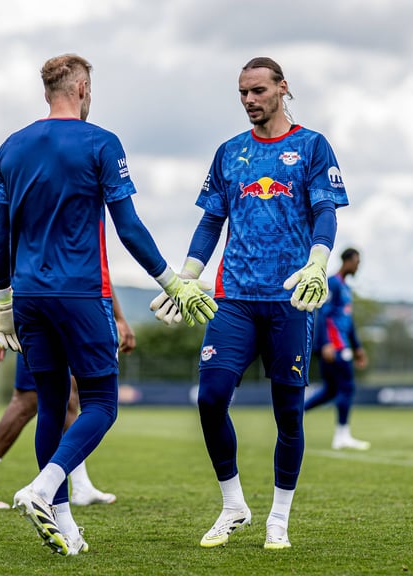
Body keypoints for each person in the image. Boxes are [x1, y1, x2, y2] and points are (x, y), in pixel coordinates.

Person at [0, 53, 216, 557]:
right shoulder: (101, 143)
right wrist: (172, 280)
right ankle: (42, 489)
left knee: (49, 405)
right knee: (102, 406)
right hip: (80, 295)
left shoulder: (11, 147)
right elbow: (127, 226)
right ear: (83, 88)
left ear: (48, 91)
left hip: (27, 298)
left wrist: (2, 300)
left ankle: (64, 525)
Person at [151, 57, 348, 550]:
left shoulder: (312, 146)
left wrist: (318, 262)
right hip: (232, 297)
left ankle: (278, 518)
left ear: (283, 89)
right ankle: (234, 505)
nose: (249, 100)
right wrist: (185, 278)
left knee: (289, 413)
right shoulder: (229, 153)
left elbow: (325, 211)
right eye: (242, 92)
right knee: (211, 398)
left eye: (258, 91)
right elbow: (210, 221)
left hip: (288, 300)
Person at [0, 295, 136, 509]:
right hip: (47, 312)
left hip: (53, 308)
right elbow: (3, 274)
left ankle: (81, 485)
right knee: (28, 400)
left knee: (68, 399)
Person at [304, 247, 370, 450]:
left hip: (343, 344)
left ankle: (295, 412)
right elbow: (324, 314)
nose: (358, 266)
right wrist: (326, 343)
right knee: (346, 388)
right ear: (347, 261)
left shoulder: (346, 288)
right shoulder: (332, 283)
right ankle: (342, 435)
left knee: (331, 390)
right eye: (357, 262)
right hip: (335, 346)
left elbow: (347, 323)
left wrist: (358, 348)